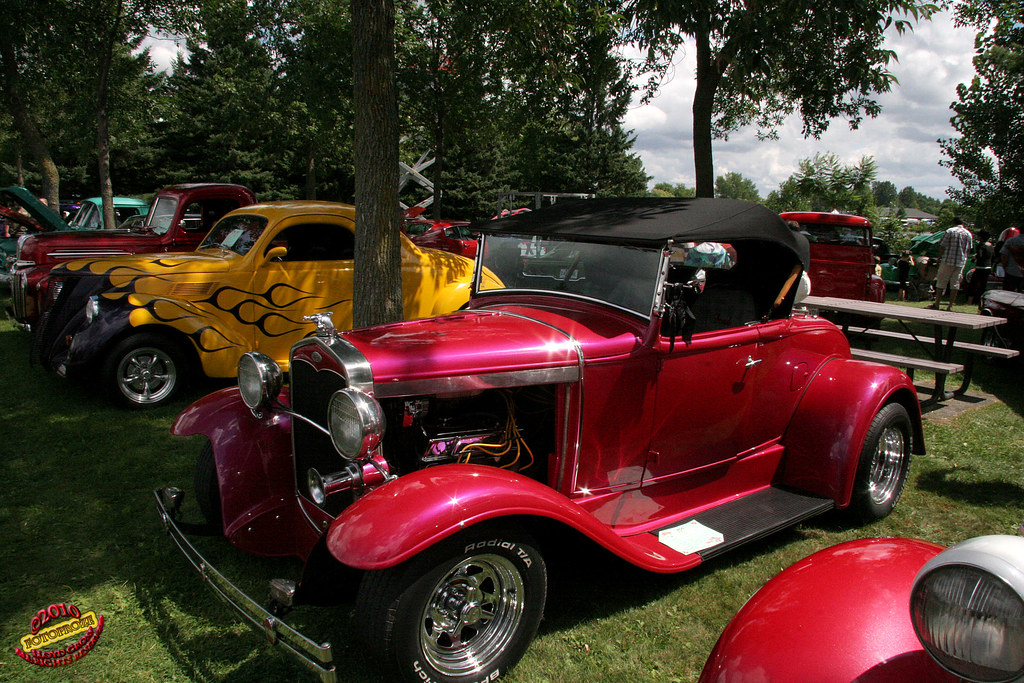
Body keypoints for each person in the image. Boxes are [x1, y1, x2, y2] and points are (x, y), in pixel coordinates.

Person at [930, 217, 973, 310]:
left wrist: (939, 258)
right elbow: (969, 249)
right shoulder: (968, 234)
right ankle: (950, 305)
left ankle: (937, 303)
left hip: (947, 260)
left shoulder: (950, 231)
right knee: (955, 284)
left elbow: (942, 245)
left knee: (941, 282)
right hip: (960, 262)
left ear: (953, 223)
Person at [966, 230, 994, 305]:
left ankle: (970, 301)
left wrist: (975, 257)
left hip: (980, 267)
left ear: (981, 237)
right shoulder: (990, 245)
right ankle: (981, 302)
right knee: (983, 286)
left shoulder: (981, 245)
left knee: (973, 284)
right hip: (988, 267)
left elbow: (980, 255)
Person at [999, 227, 1023, 292]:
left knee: (1007, 294)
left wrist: (1005, 267)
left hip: (1011, 272)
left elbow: (1004, 256)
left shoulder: (1011, 241)